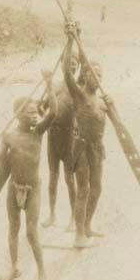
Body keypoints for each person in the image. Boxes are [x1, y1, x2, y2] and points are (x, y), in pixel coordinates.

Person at [0, 70, 57, 280]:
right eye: (29, 113)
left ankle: (42, 275)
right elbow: (1, 168)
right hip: (13, 188)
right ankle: (14, 269)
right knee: (13, 228)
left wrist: (48, 83)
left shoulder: (38, 132)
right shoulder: (9, 137)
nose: (35, 116)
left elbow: (53, 112)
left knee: (31, 233)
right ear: (18, 115)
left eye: (36, 112)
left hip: (33, 189)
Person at [63, 21, 110, 248]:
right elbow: (66, 73)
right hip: (81, 148)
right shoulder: (80, 95)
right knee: (83, 190)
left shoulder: (103, 102)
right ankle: (78, 235)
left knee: (97, 188)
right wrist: (71, 39)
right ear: (86, 76)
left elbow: (117, 124)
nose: (98, 76)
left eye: (100, 73)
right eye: (94, 73)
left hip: (97, 148)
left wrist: (112, 106)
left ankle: (88, 226)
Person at [41, 51, 81, 231]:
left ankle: (73, 218)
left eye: (74, 63)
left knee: (69, 179)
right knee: (52, 177)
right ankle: (52, 215)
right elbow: (42, 108)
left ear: (78, 66)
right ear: (63, 65)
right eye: (68, 62)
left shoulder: (78, 87)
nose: (71, 65)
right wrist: (48, 84)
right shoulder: (55, 85)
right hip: (53, 135)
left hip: (69, 137)